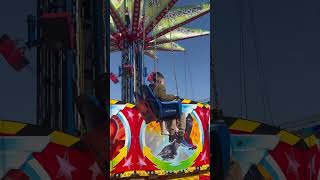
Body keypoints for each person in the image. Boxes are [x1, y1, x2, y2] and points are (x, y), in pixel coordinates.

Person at [151, 72, 188, 145]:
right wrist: (174, 97)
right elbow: (163, 97)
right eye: (163, 82)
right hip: (162, 111)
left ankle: (172, 134)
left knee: (174, 113)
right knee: (181, 114)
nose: (164, 83)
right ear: (160, 81)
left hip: (157, 110)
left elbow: (160, 98)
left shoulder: (153, 88)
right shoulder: (160, 86)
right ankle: (180, 133)